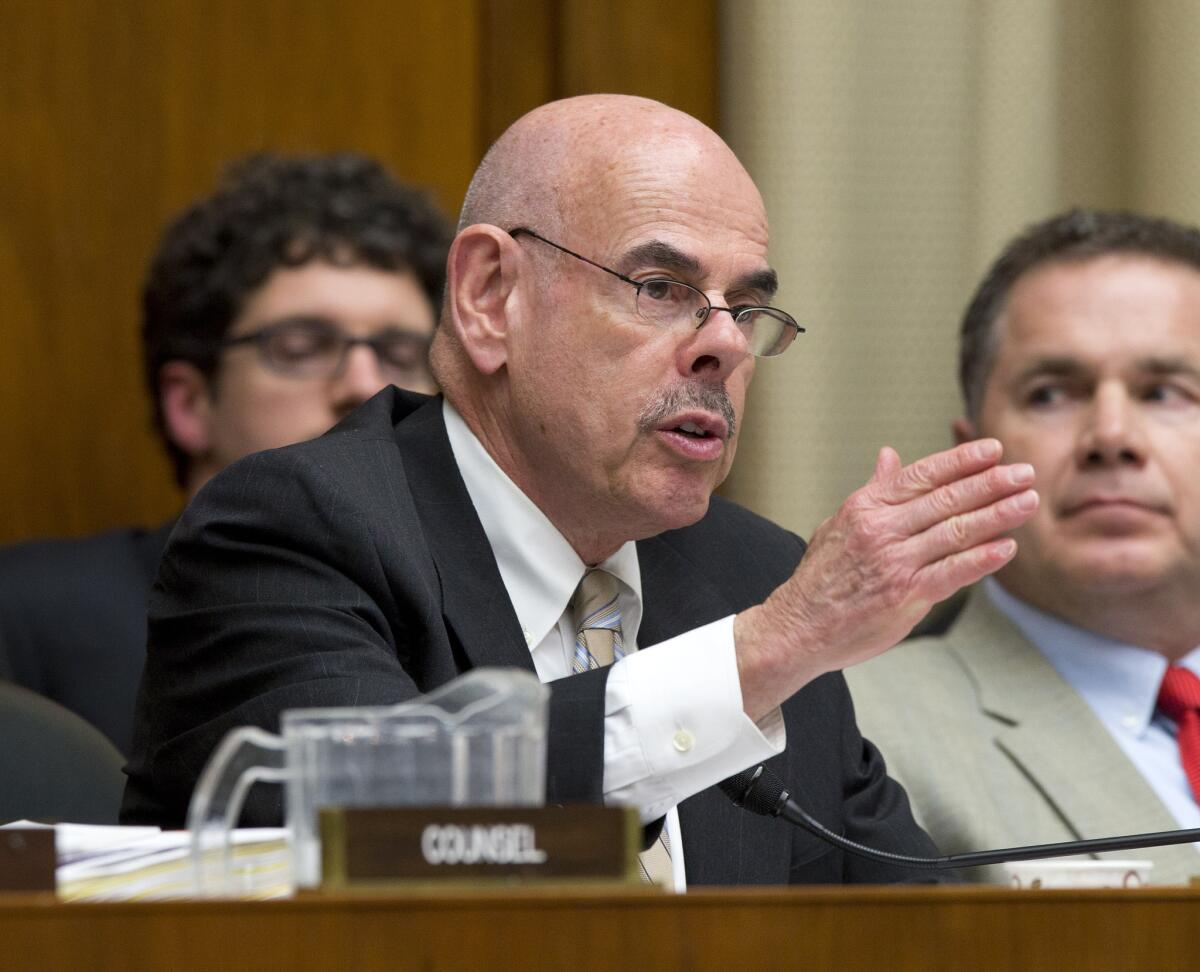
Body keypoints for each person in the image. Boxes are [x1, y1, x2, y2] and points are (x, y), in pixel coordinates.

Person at [122, 96, 1036, 888]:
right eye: (660, 287)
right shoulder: (296, 527)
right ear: (489, 297)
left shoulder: (753, 571)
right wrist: (768, 649)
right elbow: (376, 833)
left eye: (746, 309)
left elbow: (914, 921)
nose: (722, 345)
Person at [0, 153, 452, 755]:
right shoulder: (29, 612)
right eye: (300, 347)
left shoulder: (476, 612)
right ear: (188, 403)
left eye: (400, 353)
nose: (365, 387)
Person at [846, 208, 1200, 885]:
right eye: (1051, 394)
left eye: (1163, 391)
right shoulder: (853, 731)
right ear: (970, 455)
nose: (1111, 436)